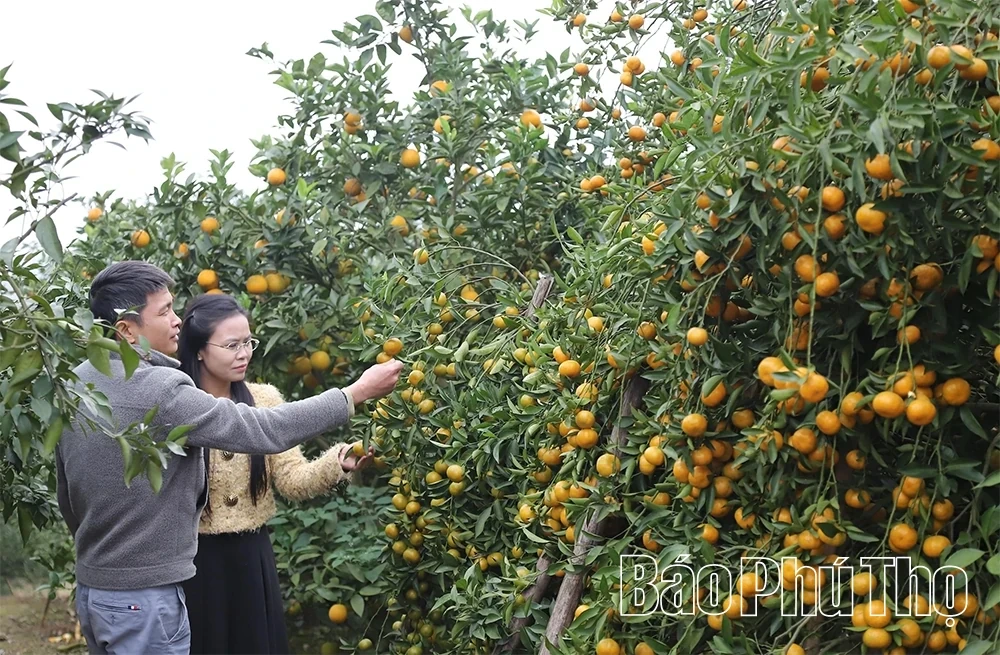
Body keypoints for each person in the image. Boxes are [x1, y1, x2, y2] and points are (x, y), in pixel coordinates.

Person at [55, 261, 402, 654]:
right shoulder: (162, 390)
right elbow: (265, 430)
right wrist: (353, 393)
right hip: (153, 591)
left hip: (98, 588)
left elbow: (69, 493)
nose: (176, 321)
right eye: (164, 311)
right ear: (126, 330)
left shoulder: (75, 383)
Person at [175, 293, 361, 653]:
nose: (244, 353)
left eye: (248, 342)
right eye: (232, 345)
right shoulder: (176, 404)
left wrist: (336, 463)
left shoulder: (264, 399)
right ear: (199, 350)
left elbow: (292, 479)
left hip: (251, 556)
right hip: (194, 560)